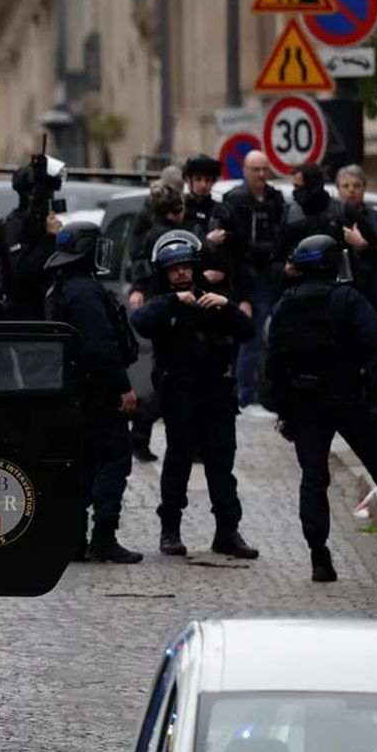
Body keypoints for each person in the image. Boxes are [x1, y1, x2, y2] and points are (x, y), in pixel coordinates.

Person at [266, 234, 377, 582]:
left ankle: (319, 557)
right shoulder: (346, 298)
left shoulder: (284, 304)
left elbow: (274, 362)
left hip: (305, 405)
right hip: (348, 400)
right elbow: (375, 337)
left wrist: (285, 410)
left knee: (313, 479)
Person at [130, 230, 259, 559]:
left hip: (215, 389)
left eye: (186, 267)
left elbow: (246, 331)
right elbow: (141, 321)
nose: (182, 273)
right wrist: (175, 300)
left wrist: (226, 306)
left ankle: (227, 531)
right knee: (178, 462)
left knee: (221, 463)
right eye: (174, 269)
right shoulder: (163, 302)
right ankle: (170, 530)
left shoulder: (210, 298)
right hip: (180, 391)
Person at [45, 221, 142, 563]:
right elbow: (101, 346)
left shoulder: (63, 288)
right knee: (112, 460)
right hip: (97, 392)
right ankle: (103, 536)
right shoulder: (85, 291)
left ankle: (74, 538)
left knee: (82, 465)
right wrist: (123, 389)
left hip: (74, 392)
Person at [222, 150, 287, 414]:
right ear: (245, 171)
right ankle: (245, 396)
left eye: (264, 170)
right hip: (247, 279)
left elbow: (282, 234)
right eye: (256, 170)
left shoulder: (275, 199)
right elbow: (236, 248)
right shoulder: (236, 200)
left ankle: (269, 394)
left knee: (274, 337)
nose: (261, 175)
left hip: (274, 276)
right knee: (251, 339)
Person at [126, 182, 186, 462]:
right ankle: (139, 433)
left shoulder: (151, 234)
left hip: (158, 308)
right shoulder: (171, 237)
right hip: (169, 312)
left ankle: (141, 434)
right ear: (176, 211)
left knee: (165, 377)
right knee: (168, 383)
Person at [335, 164, 377, 323]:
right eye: (346, 186)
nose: (352, 190)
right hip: (342, 296)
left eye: (356, 185)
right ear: (338, 189)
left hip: (375, 296)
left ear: (364, 188)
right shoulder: (332, 219)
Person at [0, 163, 61, 321]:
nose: (50, 198)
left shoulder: (44, 223)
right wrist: (49, 238)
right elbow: (22, 270)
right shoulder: (14, 225)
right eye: (46, 194)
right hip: (22, 317)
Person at [180, 153, 242, 301]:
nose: (203, 185)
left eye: (208, 180)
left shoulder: (224, 212)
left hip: (221, 290)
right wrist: (206, 241)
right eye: (198, 179)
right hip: (188, 290)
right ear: (189, 181)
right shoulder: (181, 212)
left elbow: (239, 254)